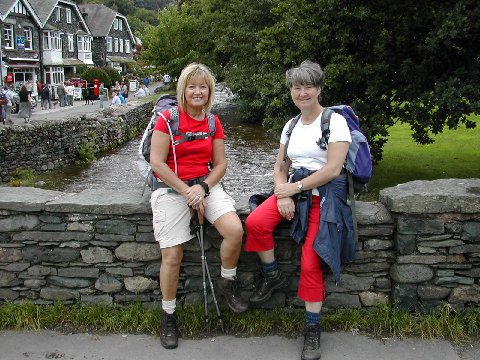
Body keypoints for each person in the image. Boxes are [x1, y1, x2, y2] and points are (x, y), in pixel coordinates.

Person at [244, 60, 355, 360]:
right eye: (296, 87)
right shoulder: (291, 125)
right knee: (254, 223)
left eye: (308, 86)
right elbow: (281, 165)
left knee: (309, 264)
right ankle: (271, 274)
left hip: (324, 199)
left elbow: (333, 169)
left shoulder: (335, 122)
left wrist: (294, 189)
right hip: (293, 194)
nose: (302, 92)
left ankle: (312, 331)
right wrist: (282, 192)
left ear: (319, 89)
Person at [149, 63, 248, 349]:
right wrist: (187, 191)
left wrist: (202, 188)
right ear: (183, 89)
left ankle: (227, 282)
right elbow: (157, 163)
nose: (197, 91)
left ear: (209, 91)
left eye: (202, 87)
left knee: (234, 230)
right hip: (171, 187)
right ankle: (168, 316)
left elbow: (220, 165)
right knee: (172, 255)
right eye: (191, 86)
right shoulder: (167, 119)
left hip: (204, 185)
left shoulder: (214, 122)